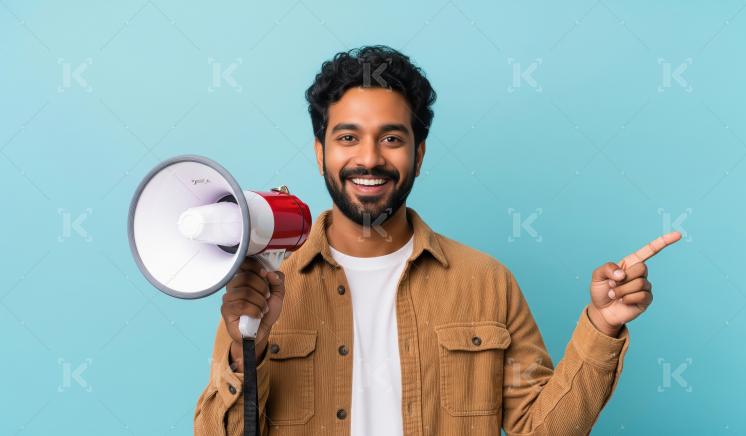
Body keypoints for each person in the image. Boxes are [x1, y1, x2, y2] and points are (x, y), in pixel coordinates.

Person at [194, 45, 680, 436]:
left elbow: (543, 430)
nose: (369, 158)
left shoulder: (486, 283)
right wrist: (244, 352)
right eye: (347, 138)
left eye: (391, 138)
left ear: (418, 152)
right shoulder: (263, 283)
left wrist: (603, 325)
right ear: (320, 152)